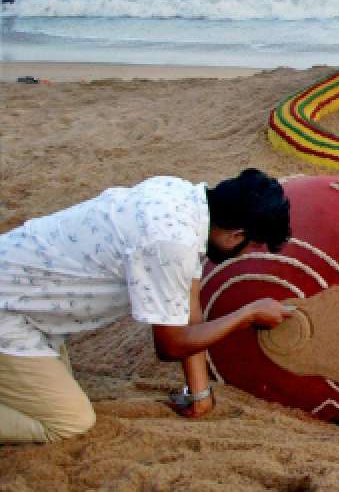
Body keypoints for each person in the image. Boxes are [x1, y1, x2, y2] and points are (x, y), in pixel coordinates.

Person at [0, 169, 293, 444]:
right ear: (236, 235)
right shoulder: (171, 243)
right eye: (254, 245)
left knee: (47, 389)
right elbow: (171, 345)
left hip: (26, 299)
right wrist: (247, 314)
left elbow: (188, 312)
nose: (251, 254)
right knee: (70, 421)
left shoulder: (182, 200)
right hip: (10, 311)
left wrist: (199, 394)